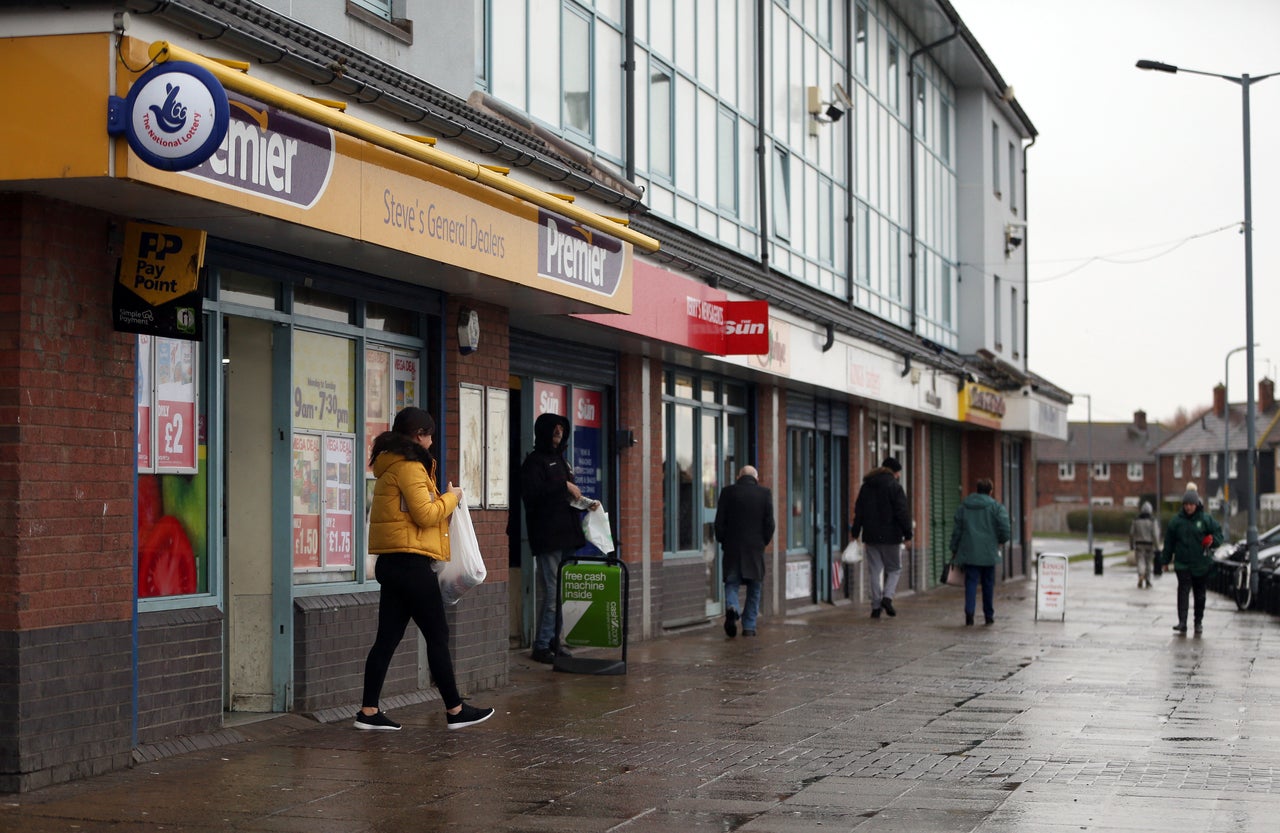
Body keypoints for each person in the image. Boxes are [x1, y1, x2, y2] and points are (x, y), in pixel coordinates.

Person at [357, 407, 495, 731]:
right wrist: (452, 497)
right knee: (437, 634)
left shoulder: (391, 464)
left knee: (387, 639)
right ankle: (456, 710)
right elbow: (426, 515)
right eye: (430, 434)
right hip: (410, 564)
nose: (432, 441)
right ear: (419, 434)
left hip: (392, 563)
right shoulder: (409, 466)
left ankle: (368, 711)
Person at [521, 412, 596, 663]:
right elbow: (532, 496)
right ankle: (541, 645)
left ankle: (554, 640)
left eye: (561, 430)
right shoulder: (534, 462)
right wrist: (563, 486)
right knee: (553, 593)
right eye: (554, 430)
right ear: (543, 432)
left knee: (562, 592)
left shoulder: (562, 462)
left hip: (567, 536)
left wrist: (585, 503)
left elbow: (564, 497)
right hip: (548, 537)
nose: (558, 433)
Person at [714, 465, 775, 638]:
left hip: (733, 547)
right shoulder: (764, 493)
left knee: (732, 583)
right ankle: (749, 627)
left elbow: (719, 522)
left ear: (739, 476)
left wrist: (723, 540)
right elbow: (770, 523)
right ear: (756, 477)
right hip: (755, 549)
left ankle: (732, 607)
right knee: (755, 587)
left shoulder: (727, 492)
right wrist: (763, 541)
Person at [849, 457, 912, 619]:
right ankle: (887, 598)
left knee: (875, 571)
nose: (898, 476)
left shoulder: (866, 486)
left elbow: (859, 512)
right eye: (898, 473)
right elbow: (902, 513)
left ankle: (876, 606)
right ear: (894, 472)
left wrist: (855, 533)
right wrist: (908, 534)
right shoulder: (895, 487)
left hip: (871, 536)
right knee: (894, 569)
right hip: (892, 537)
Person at [1158, 488, 1223, 635]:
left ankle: (1198, 622)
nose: (1188, 507)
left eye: (1191, 504)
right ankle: (1182, 622)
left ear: (1196, 504)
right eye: (1186, 504)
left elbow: (1218, 534)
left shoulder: (1205, 520)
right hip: (1182, 564)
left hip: (1201, 564)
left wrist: (1212, 541)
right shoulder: (1176, 522)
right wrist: (1165, 560)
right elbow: (1169, 543)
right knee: (1183, 592)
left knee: (1200, 594)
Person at [950, 478, 1011, 626]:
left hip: (969, 552)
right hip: (989, 552)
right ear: (991, 491)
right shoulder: (996, 507)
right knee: (988, 583)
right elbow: (1005, 529)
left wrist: (954, 549)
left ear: (977, 489)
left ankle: (969, 614)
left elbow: (957, 530)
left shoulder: (964, 506)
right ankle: (988, 615)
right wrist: (1002, 540)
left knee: (970, 582)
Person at [1129, 501, 1160, 588]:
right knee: (1148, 563)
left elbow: (1131, 533)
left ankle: (1141, 574)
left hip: (1139, 544)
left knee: (1140, 561)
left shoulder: (1136, 520)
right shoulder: (1153, 521)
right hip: (1150, 544)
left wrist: (1131, 545)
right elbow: (1155, 534)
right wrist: (1157, 547)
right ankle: (1148, 580)